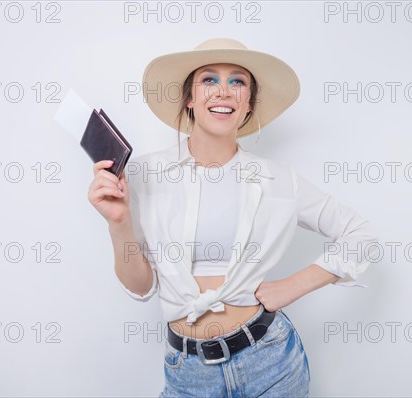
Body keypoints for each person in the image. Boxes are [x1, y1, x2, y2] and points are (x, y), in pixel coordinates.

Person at [88, 38, 380, 397]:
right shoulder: (146, 175)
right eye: (209, 80)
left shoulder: (278, 181)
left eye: (237, 81)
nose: (223, 91)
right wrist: (118, 223)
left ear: (248, 106)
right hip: (188, 374)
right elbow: (141, 288)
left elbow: (360, 235)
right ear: (190, 99)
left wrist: (290, 288)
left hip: (272, 363)